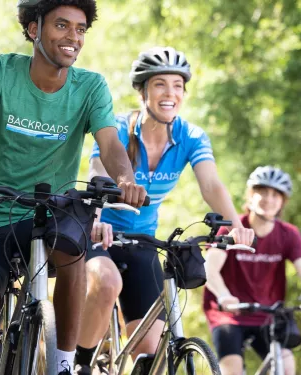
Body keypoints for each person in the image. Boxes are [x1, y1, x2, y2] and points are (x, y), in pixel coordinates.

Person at [0, 1, 147, 374]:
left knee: (74, 248)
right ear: (34, 29)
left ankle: (62, 363)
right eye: (62, 26)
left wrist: (126, 179)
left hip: (51, 214)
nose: (73, 37)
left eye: (81, 29)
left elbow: (111, 143)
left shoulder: (90, 87)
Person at [74, 47, 255, 374]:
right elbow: (98, 174)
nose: (170, 93)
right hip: (98, 232)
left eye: (177, 85)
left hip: (142, 239)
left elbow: (211, 184)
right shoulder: (114, 127)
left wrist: (236, 225)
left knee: (148, 354)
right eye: (160, 84)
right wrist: (98, 218)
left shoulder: (191, 137)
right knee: (107, 282)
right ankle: (79, 365)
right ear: (143, 91)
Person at [203, 166, 301, 375]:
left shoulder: (288, 234)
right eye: (262, 191)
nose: (268, 199)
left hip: (266, 315)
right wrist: (225, 296)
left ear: (282, 202)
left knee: (287, 366)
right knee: (232, 370)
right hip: (229, 314)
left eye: (275, 194)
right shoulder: (234, 228)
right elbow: (210, 267)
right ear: (251, 195)